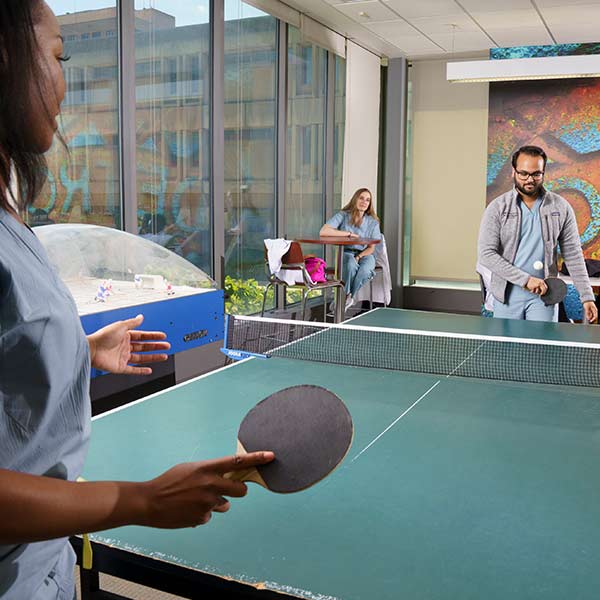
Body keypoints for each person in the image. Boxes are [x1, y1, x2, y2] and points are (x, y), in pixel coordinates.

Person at [0, 3, 274, 599]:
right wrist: (140, 498)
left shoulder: (11, 219)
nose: (64, 81)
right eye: (57, 55)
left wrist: (80, 350)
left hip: (44, 572)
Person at [478, 145, 598, 323]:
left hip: (545, 298)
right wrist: (525, 280)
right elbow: (486, 255)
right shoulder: (497, 208)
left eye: (536, 174)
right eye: (523, 173)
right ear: (513, 172)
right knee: (508, 351)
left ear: (543, 172)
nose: (529, 179)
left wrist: (587, 297)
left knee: (542, 350)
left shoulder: (561, 207)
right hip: (507, 296)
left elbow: (573, 255)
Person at [320, 188, 381, 310]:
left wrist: (359, 256)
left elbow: (371, 248)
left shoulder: (373, 222)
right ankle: (346, 297)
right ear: (355, 199)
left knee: (365, 271)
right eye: (361, 198)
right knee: (351, 266)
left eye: (367, 200)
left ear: (369, 204)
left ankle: (346, 296)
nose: (364, 202)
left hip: (366, 254)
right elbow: (323, 231)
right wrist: (348, 234)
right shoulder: (343, 215)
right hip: (346, 252)